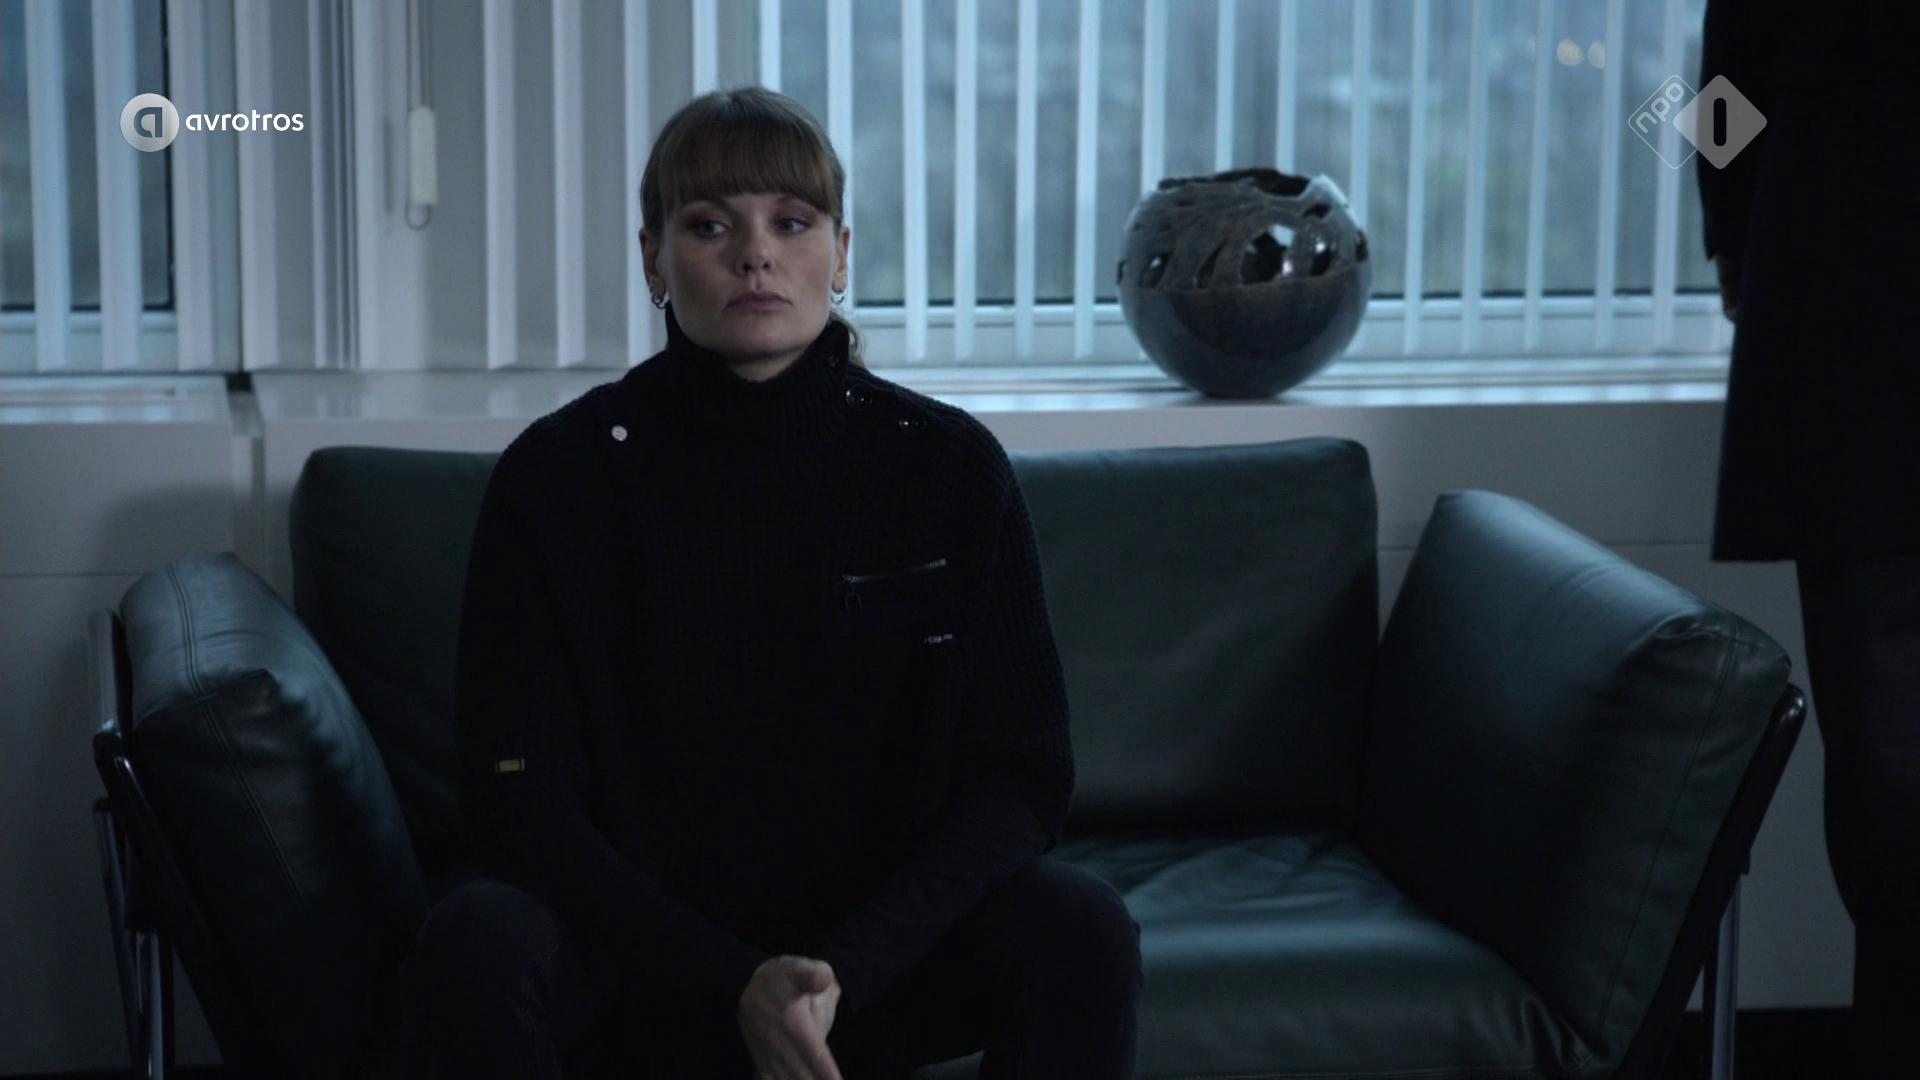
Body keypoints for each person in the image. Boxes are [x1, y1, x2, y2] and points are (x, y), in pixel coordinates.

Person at [398, 86, 1143, 1079]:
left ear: (840, 255)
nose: (755, 255)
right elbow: (519, 805)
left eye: (791, 223)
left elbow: (1022, 780)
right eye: (710, 226)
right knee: (478, 938)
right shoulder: (558, 479)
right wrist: (731, 978)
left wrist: (840, 973)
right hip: (638, 963)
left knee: (1078, 924)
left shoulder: (949, 468)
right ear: (654, 260)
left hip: (873, 968)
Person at [1697, 3, 1918, 1075]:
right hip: (1846, 312)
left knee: (1884, 757)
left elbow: (1722, 93)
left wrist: (1734, 239)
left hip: (1843, 308)